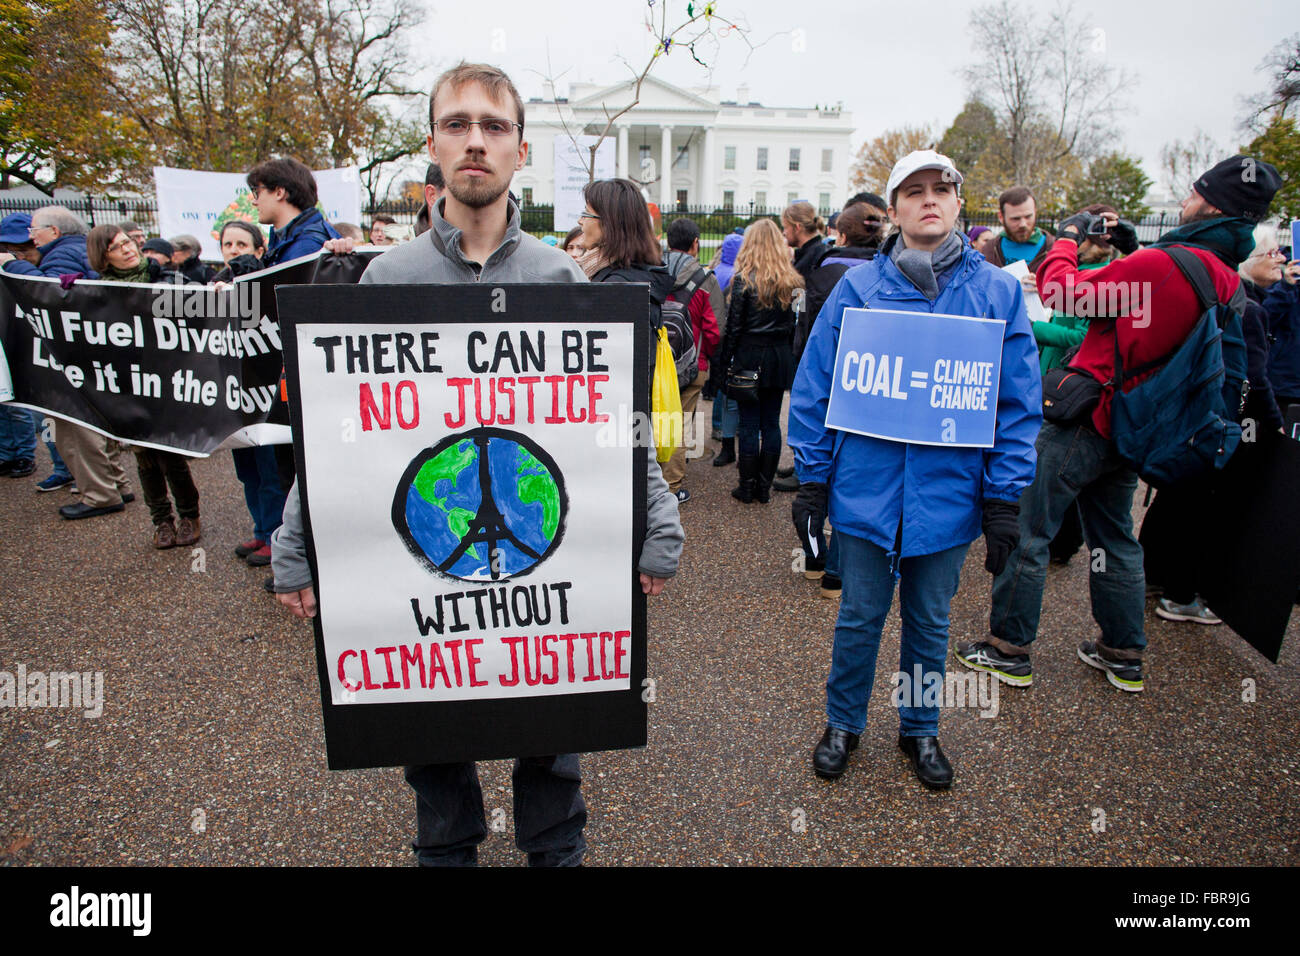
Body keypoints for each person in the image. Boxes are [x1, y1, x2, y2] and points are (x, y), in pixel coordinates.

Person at [273, 62, 683, 868]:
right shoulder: (386, 279)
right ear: (432, 144)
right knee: (429, 728)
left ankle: (554, 848)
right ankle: (447, 846)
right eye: (457, 124)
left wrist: (658, 521)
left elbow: (613, 422)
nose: (475, 141)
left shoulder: (563, 279)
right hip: (426, 572)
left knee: (554, 723)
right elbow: (335, 429)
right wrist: (296, 543)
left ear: (519, 151)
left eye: (493, 127)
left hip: (542, 576)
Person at [959, 155, 1283, 693]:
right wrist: (1135, 248)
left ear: (1211, 205)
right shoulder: (1224, 276)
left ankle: (1007, 648)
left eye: (1193, 193)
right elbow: (1160, 307)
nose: (1184, 201)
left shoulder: (1160, 265)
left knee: (1029, 528)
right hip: (1140, 424)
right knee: (1115, 536)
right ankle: (1122, 650)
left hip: (1088, 417)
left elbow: (1063, 294)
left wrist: (1065, 240)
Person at [790, 149, 1040, 789]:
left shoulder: (998, 293)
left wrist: (1004, 496)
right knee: (859, 617)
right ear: (895, 209)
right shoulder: (857, 289)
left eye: (941, 189)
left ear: (958, 202)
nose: (929, 200)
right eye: (914, 191)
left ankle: (920, 728)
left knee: (931, 622)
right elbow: (817, 384)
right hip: (866, 492)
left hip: (949, 498)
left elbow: (1015, 402)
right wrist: (813, 477)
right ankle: (843, 722)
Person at [1140, 221, 1288, 625]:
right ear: (1250, 258)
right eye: (1273, 252)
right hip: (1223, 427)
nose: (1281, 259)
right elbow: (1254, 380)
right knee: (1202, 513)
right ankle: (1181, 594)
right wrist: (1274, 426)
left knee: (1177, 499)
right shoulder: (1249, 309)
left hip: (1194, 421)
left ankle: (1152, 574)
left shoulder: (1224, 297)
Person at [0, 206, 137, 517]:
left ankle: (99, 495)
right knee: (98, 422)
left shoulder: (59, 257)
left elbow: (49, 296)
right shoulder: (78, 250)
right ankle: (117, 484)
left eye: (35, 230)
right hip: (96, 355)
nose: (31, 237)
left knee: (74, 426)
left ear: (55, 232)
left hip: (72, 359)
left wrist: (14, 267)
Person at [87, 225, 202, 548]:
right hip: (126, 383)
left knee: (169, 454)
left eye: (127, 242)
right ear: (102, 256)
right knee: (144, 458)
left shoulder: (165, 279)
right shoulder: (94, 292)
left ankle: (189, 515)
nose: (127, 249)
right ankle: (161, 521)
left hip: (164, 381)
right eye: (115, 247)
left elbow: (200, 304)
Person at [709, 218, 803, 504]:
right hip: (778, 358)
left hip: (749, 356)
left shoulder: (743, 281)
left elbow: (734, 328)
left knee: (749, 424)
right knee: (771, 424)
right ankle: (764, 488)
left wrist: (724, 365)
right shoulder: (792, 282)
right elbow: (793, 327)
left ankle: (748, 486)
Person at [662, 217, 722, 502]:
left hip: (656, 361)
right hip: (691, 363)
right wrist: (705, 358)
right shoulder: (704, 280)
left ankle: (650, 479)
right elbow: (713, 329)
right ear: (695, 243)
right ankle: (671, 486)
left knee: (654, 420)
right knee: (680, 424)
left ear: (667, 240)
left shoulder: (653, 271)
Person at [246, 157, 341, 267]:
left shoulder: (306, 245)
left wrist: (239, 284)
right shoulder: (288, 241)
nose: (254, 202)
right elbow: (270, 284)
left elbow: (274, 284)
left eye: (257, 193)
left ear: (279, 193)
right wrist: (231, 284)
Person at [983, 186, 1056, 301]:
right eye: (1015, 219)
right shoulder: (989, 250)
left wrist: (1047, 290)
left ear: (1035, 212)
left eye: (1028, 216)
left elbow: (1071, 296)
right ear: (1001, 217)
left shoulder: (1054, 248)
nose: (1023, 224)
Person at [783, 201, 827, 284]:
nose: (784, 233)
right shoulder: (817, 251)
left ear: (797, 227)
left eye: (785, 227)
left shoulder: (810, 259)